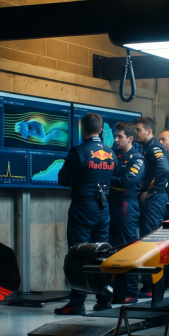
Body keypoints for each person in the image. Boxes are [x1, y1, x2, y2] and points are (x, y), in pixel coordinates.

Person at [55, 112, 116, 315]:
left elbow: (62, 179)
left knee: (78, 253)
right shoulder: (110, 152)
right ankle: (104, 299)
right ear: (100, 129)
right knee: (103, 254)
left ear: (83, 129)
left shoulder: (78, 151)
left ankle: (77, 302)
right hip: (103, 209)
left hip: (82, 208)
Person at [108, 122, 146, 304]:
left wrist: (106, 180)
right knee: (112, 252)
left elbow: (127, 181)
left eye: (120, 136)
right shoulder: (114, 156)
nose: (116, 139)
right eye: (115, 136)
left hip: (126, 207)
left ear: (130, 138)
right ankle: (117, 292)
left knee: (127, 250)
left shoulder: (137, 159)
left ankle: (131, 292)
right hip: (111, 206)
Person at [133, 117, 169, 236]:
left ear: (149, 131)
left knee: (151, 239)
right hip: (153, 199)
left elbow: (164, 169)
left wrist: (150, 191)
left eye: (138, 130)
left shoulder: (154, 147)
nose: (135, 133)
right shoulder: (147, 147)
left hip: (154, 199)